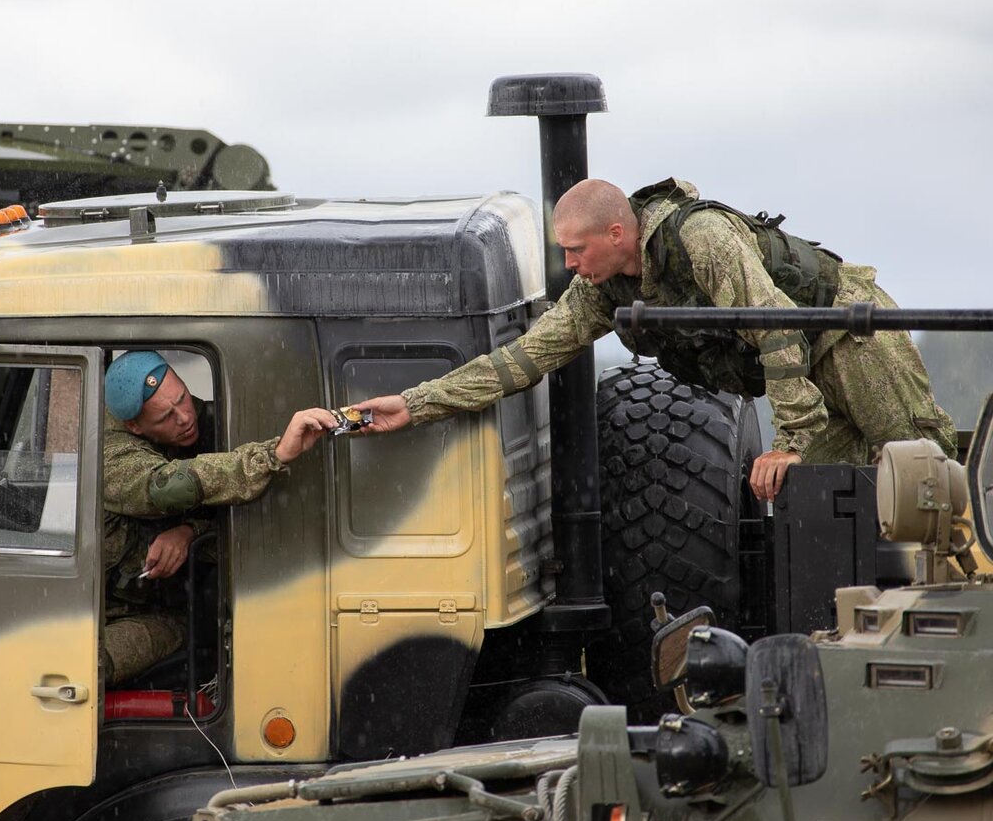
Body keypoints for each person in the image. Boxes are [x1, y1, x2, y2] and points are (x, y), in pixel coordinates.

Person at [350, 178, 956, 501]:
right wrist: (414, 404)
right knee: (847, 506)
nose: (569, 263)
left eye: (577, 249)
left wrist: (791, 438)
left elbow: (774, 324)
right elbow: (522, 359)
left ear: (617, 233)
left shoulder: (702, 239)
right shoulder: (602, 290)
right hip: (798, 371)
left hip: (845, 334)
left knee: (924, 475)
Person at [101, 350, 337, 686]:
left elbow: (237, 517)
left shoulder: (199, 417)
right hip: (106, 613)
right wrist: (272, 455)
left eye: (182, 398)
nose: (184, 417)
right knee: (79, 666)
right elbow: (167, 487)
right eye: (166, 417)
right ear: (134, 427)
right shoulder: (112, 455)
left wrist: (189, 532)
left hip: (170, 606)